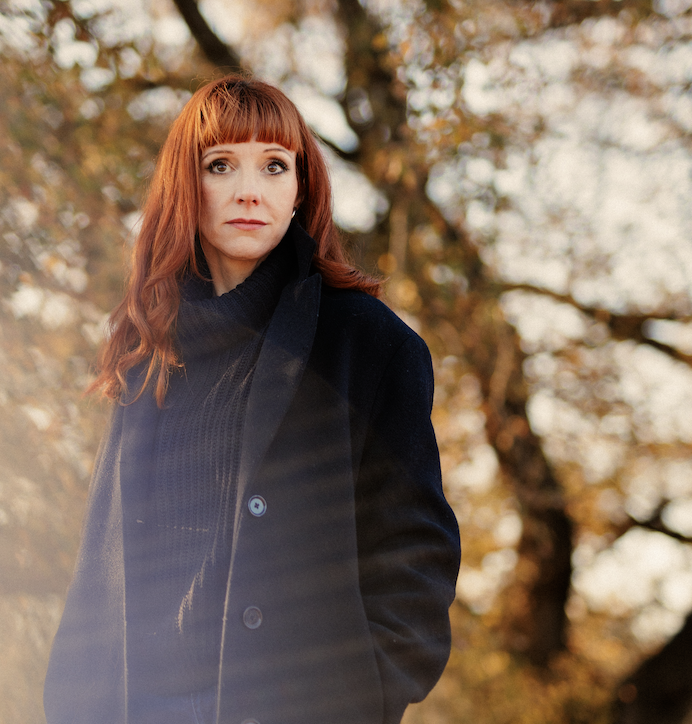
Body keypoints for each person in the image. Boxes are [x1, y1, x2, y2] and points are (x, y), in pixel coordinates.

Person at [44, 75, 460, 724]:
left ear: (301, 189)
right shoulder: (145, 350)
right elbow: (103, 560)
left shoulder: (367, 343)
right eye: (221, 165)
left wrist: (362, 696)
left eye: (273, 165)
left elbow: (417, 555)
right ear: (187, 186)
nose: (249, 190)